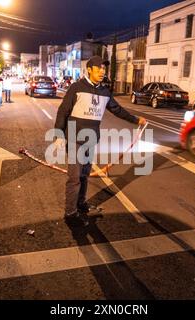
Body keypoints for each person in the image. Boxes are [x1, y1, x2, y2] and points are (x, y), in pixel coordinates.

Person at [54, 56, 147, 227]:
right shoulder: (76, 88)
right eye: (99, 69)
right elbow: (63, 111)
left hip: (91, 139)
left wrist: (136, 120)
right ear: (89, 70)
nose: (102, 72)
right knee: (74, 178)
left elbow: (117, 110)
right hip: (75, 138)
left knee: (84, 175)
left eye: (104, 69)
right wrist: (59, 135)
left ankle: (81, 204)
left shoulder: (104, 92)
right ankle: (70, 213)